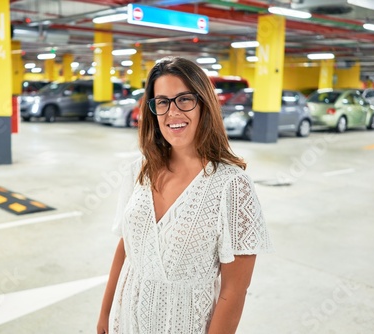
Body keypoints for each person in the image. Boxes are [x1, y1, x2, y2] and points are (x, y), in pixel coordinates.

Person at [97, 56, 272, 334]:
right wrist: (105, 313)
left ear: (204, 104)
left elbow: (234, 290)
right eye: (162, 102)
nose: (172, 112)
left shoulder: (232, 186)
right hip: (127, 318)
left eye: (184, 99)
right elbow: (126, 244)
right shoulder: (138, 171)